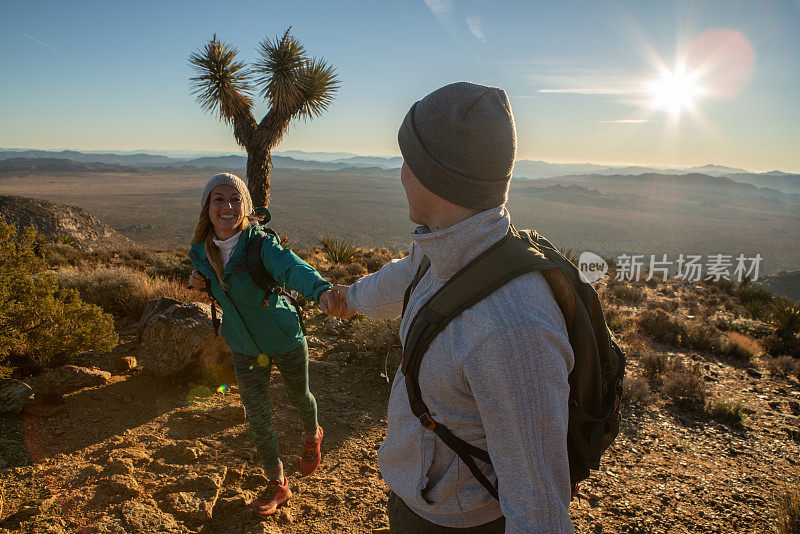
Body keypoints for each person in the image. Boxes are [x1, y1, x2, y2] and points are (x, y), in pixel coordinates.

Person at [330, 82, 576, 532]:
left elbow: (538, 508)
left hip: (458, 522)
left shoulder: (510, 327)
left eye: (408, 160)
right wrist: (352, 298)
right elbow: (407, 276)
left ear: (433, 176)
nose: (401, 172)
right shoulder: (444, 250)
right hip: (421, 500)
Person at [188, 172, 338, 517]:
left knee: (300, 397)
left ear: (246, 206)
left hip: (284, 337)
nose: (227, 206)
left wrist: (321, 290)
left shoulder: (260, 245)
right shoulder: (200, 252)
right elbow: (214, 285)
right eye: (219, 199)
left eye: (235, 199)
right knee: (257, 417)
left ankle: (312, 434)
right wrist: (199, 280)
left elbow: (291, 267)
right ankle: (277, 483)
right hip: (243, 345)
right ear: (207, 207)